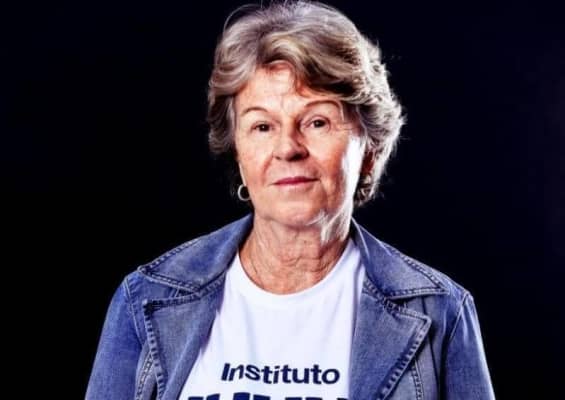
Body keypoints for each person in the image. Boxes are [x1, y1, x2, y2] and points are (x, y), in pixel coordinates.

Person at [86, 1, 495, 399]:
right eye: (262, 126)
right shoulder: (146, 298)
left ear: (369, 150)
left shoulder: (440, 312)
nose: (288, 148)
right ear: (238, 153)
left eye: (317, 122)